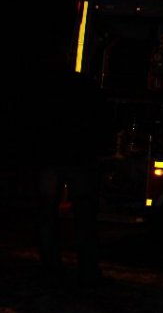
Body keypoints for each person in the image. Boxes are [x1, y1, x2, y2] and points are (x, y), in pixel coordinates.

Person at [29, 42, 112, 287]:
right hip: (79, 157)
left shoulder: (43, 88)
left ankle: (50, 264)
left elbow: (34, 124)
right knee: (84, 215)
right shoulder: (83, 85)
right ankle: (87, 268)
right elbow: (100, 117)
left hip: (52, 157)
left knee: (47, 212)